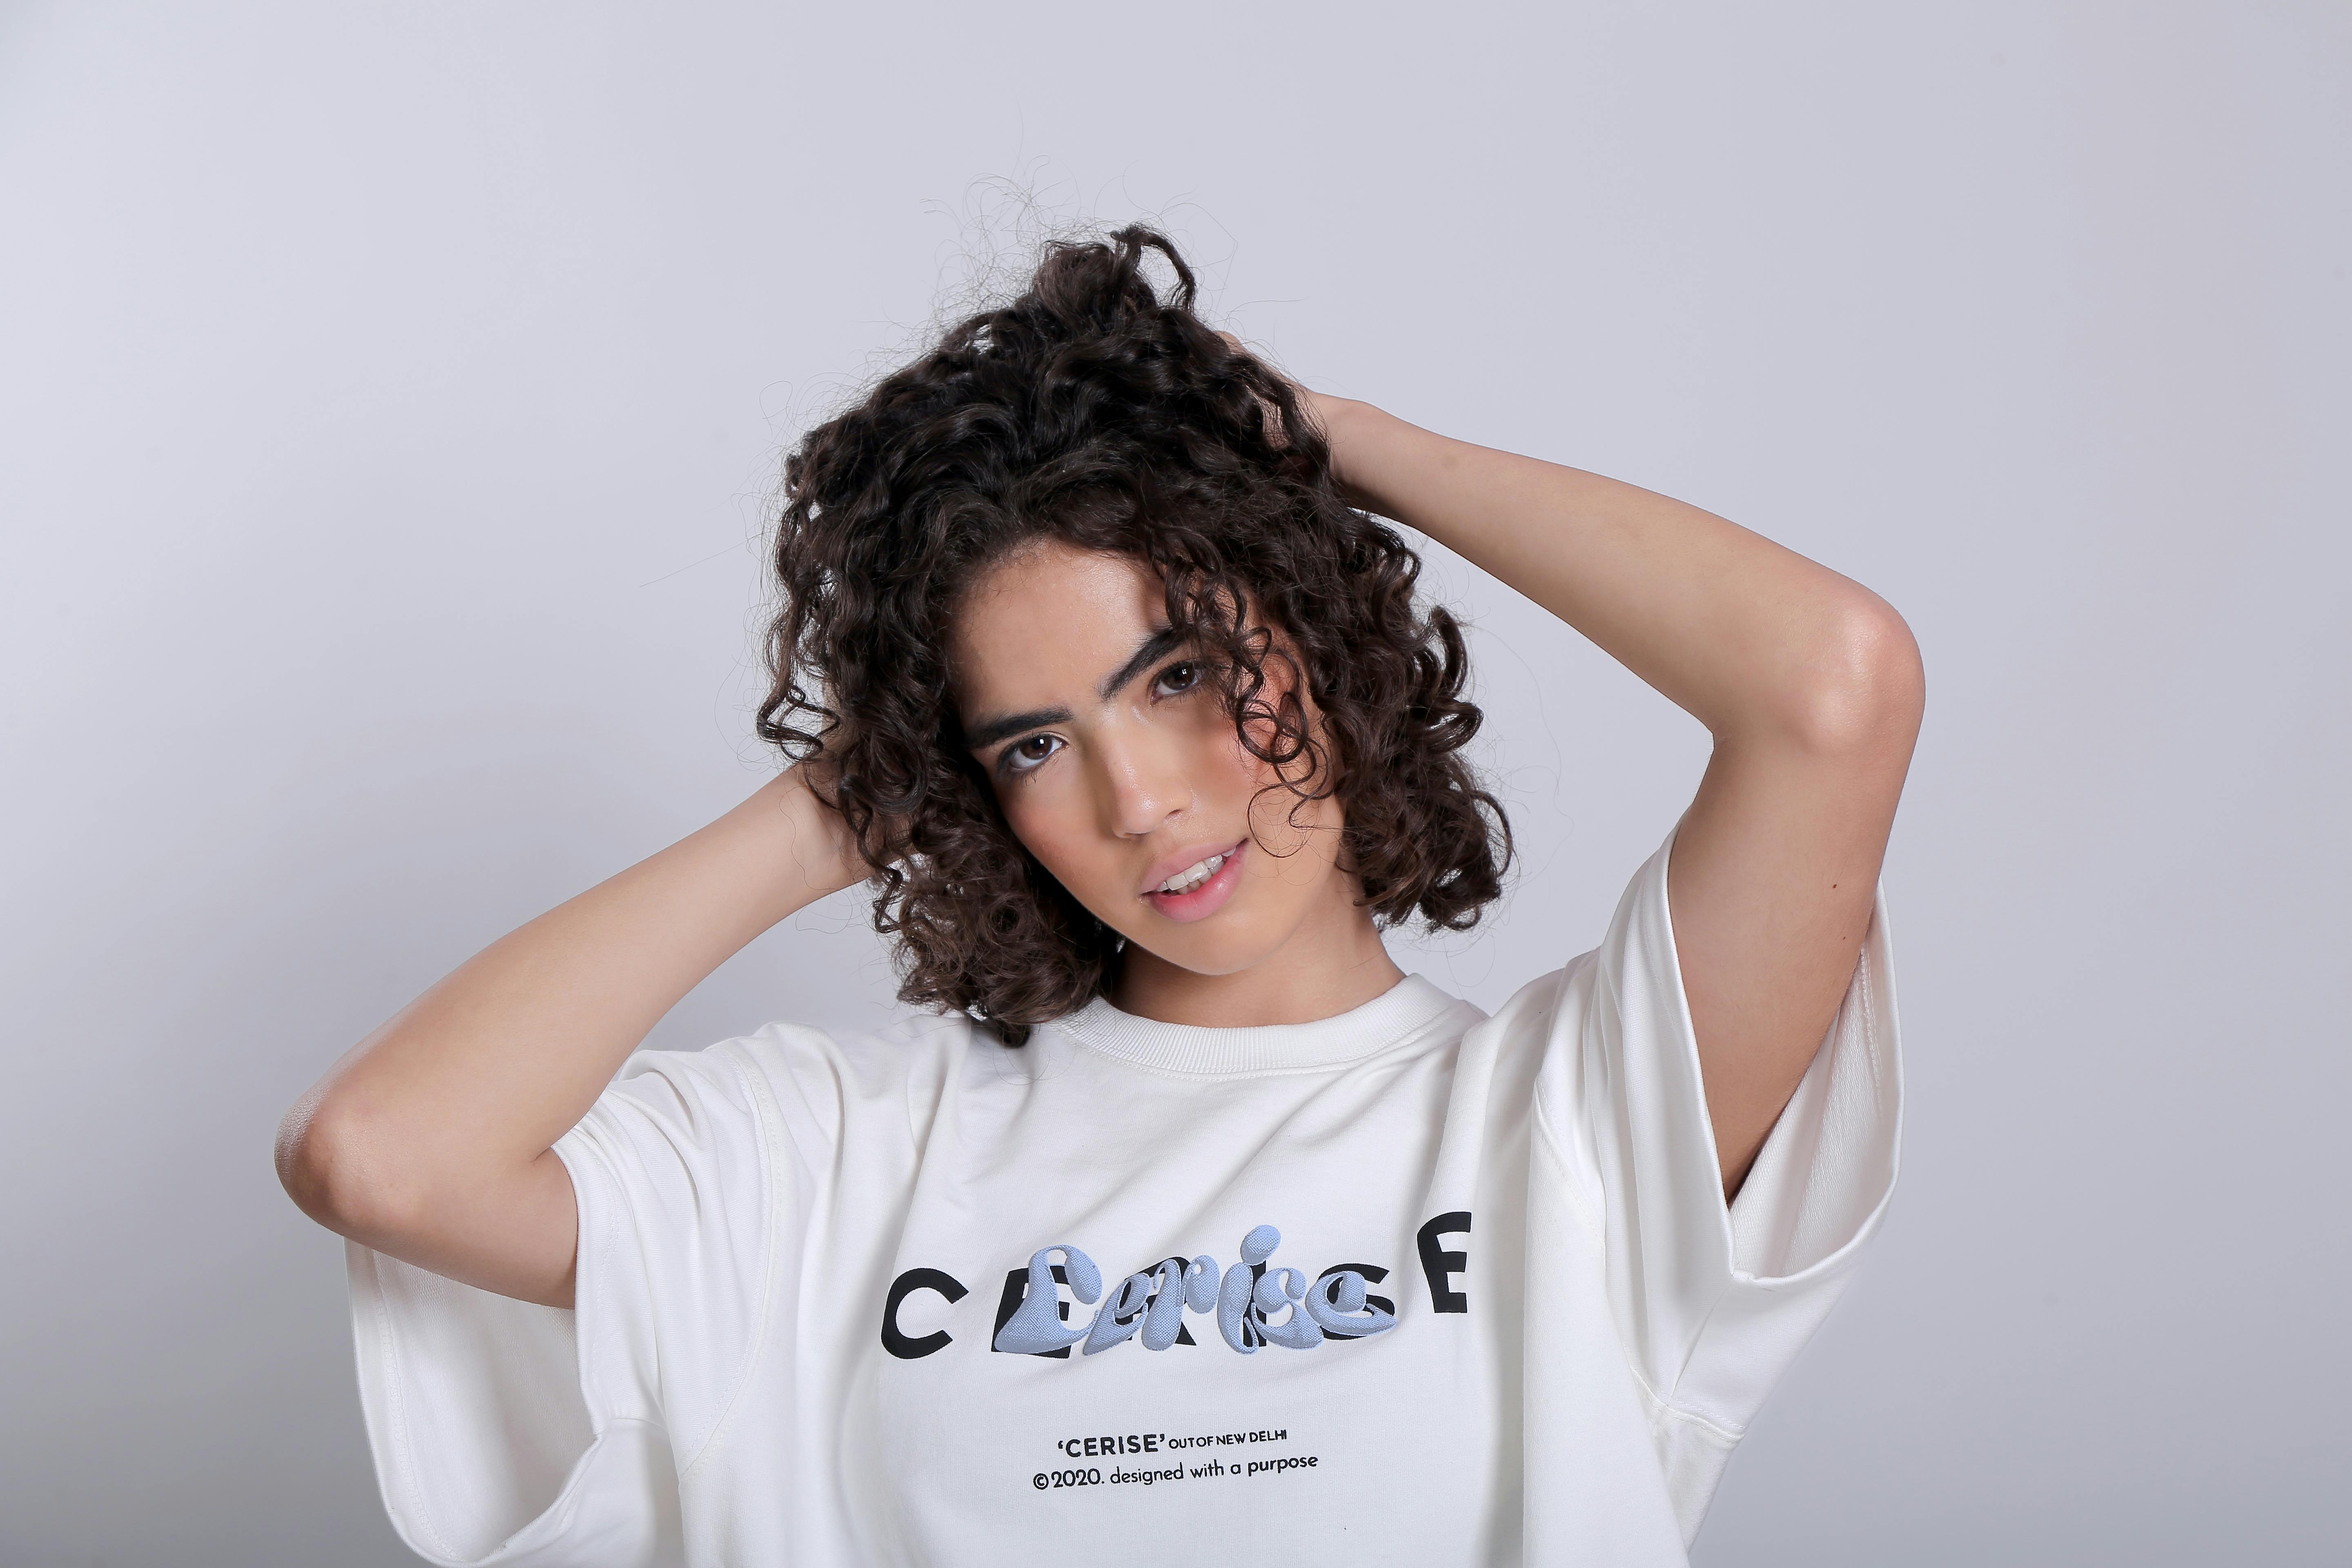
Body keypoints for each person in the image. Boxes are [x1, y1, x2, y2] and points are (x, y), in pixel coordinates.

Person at [277, 225, 1921, 1567]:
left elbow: (1832, 688)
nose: (1142, 797)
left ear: (1322, 636)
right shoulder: (847, 1157)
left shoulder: (1574, 1124)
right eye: (1036, 740)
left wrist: (1331, 452)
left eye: (1188, 669)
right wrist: (866, 774)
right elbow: (383, 1156)